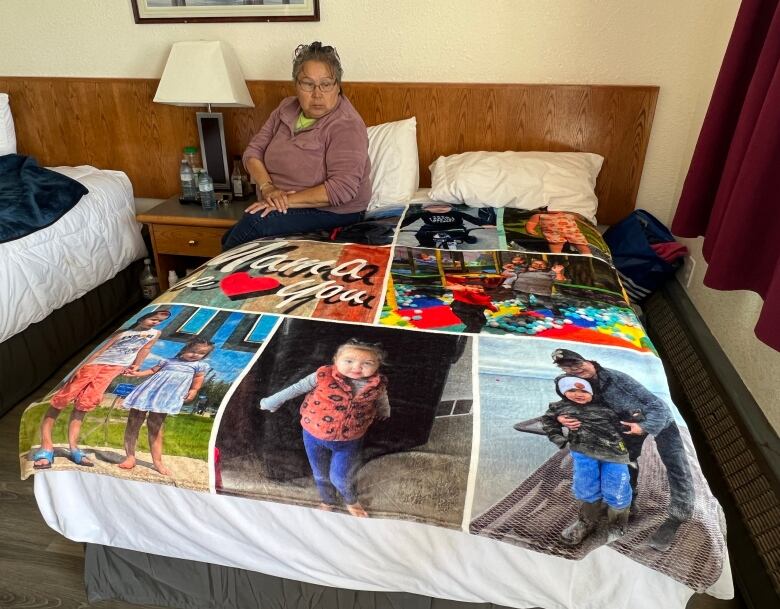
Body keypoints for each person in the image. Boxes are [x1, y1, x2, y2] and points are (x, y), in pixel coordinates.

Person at [221, 42, 371, 249]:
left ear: (337, 86)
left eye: (326, 84)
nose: (317, 94)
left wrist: (281, 201)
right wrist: (268, 188)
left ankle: (226, 280)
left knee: (253, 224)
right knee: (232, 235)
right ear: (296, 85)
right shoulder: (286, 108)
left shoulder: (346, 124)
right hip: (277, 201)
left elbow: (342, 189)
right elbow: (253, 153)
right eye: (308, 84)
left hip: (333, 212)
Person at [551, 348, 695, 552]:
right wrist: (559, 417)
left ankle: (677, 517)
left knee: (677, 467)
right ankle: (627, 502)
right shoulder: (571, 383)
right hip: (623, 424)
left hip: (656, 419)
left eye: (577, 364)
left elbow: (658, 408)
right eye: (568, 368)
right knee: (625, 460)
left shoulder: (618, 380)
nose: (575, 370)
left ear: (589, 361)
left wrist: (644, 427)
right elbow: (564, 403)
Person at [258, 339, 390, 517]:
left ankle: (351, 500)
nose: (357, 367)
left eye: (367, 363)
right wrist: (272, 401)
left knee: (341, 478)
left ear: (378, 365)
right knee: (320, 474)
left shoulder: (378, 385)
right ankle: (327, 500)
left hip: (350, 439)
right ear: (336, 359)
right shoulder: (323, 375)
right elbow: (296, 388)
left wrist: (385, 411)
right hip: (313, 434)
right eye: (349, 361)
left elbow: (382, 401)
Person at [32, 310, 171, 469]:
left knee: (85, 404)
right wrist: (82, 366)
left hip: (114, 368)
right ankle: (46, 445)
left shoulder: (154, 334)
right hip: (95, 364)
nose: (155, 323)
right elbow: (100, 350)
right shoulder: (123, 332)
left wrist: (137, 365)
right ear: (142, 317)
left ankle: (74, 447)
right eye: (153, 319)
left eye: (159, 321)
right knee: (61, 400)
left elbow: (145, 349)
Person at [541, 376, 632, 545]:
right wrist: (559, 436)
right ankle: (586, 522)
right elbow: (547, 421)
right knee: (585, 485)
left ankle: (617, 523)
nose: (578, 394)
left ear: (592, 391)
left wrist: (636, 422)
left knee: (617, 486)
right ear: (563, 392)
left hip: (614, 454)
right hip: (583, 453)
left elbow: (630, 417)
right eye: (572, 390)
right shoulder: (559, 407)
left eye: (583, 390)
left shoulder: (607, 405)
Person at [118, 338, 215, 476]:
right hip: (147, 393)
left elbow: (198, 380)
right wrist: (137, 373)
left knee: (156, 427)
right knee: (134, 421)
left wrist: (193, 390)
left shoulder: (199, 366)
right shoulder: (168, 361)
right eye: (193, 351)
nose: (195, 355)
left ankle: (157, 462)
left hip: (165, 398)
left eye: (201, 353)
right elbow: (152, 370)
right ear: (185, 349)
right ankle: (130, 457)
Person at [400, 203, 494, 248]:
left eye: (444, 206)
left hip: (455, 228)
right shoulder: (423, 213)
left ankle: (465, 237)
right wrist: (399, 226)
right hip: (431, 228)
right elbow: (410, 219)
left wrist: (483, 224)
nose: (439, 209)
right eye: (433, 206)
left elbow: (469, 218)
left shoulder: (456, 212)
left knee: (461, 233)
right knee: (421, 235)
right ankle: (426, 244)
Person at [525, 211, 592, 255]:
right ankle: (557, 255)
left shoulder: (569, 214)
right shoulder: (540, 215)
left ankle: (587, 254)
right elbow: (531, 222)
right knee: (555, 246)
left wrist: (588, 226)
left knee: (581, 244)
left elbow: (580, 221)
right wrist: (530, 229)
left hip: (573, 233)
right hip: (554, 235)